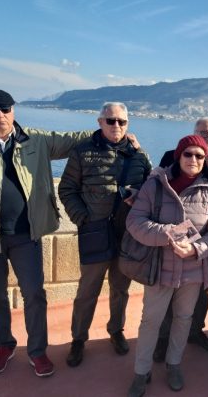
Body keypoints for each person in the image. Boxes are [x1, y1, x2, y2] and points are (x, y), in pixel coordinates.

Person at [0, 89, 93, 377]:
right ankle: (3, 346)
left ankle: (38, 352)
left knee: (34, 295)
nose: (0, 115)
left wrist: (116, 131)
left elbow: (75, 140)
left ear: (14, 109)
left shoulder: (36, 140)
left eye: (5, 108)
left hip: (26, 234)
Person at [126, 135, 208, 395]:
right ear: (178, 156)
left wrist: (196, 248)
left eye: (200, 156)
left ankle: (174, 364)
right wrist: (170, 234)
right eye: (188, 154)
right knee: (151, 321)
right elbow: (135, 221)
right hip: (160, 268)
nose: (194, 160)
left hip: (193, 270)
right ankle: (141, 371)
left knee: (183, 319)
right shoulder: (155, 186)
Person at [58, 102, 152, 367]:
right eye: (111, 121)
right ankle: (78, 339)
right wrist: (83, 218)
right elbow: (67, 190)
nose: (116, 126)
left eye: (122, 122)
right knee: (87, 290)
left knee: (120, 289)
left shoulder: (138, 155)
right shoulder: (82, 152)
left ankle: (116, 331)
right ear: (100, 122)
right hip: (95, 232)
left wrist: (138, 196)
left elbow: (152, 187)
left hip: (126, 234)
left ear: (128, 124)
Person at [154, 117, 208, 359]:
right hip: (175, 237)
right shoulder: (171, 156)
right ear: (194, 132)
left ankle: (195, 331)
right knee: (171, 288)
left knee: (202, 291)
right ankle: (163, 340)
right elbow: (158, 188)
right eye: (203, 132)